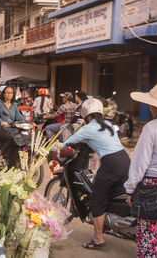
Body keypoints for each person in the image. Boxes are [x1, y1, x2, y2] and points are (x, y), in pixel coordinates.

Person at [62, 98, 130, 249]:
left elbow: (67, 143)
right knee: (118, 194)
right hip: (124, 161)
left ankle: (98, 239)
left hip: (111, 164)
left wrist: (59, 146)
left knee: (97, 199)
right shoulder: (107, 124)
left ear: (86, 114)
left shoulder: (88, 128)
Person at [124, 82, 157, 257]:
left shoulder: (152, 128)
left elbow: (140, 163)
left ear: (156, 106)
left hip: (153, 188)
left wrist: (130, 189)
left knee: (150, 239)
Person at [0, 86, 27, 167]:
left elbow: (19, 117)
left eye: (11, 93)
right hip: (0, 130)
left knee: (17, 144)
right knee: (10, 139)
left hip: (11, 130)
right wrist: (2, 122)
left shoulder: (14, 105)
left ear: (13, 95)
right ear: (4, 94)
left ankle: (10, 168)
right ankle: (1, 157)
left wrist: (28, 122)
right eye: (7, 92)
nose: (9, 94)